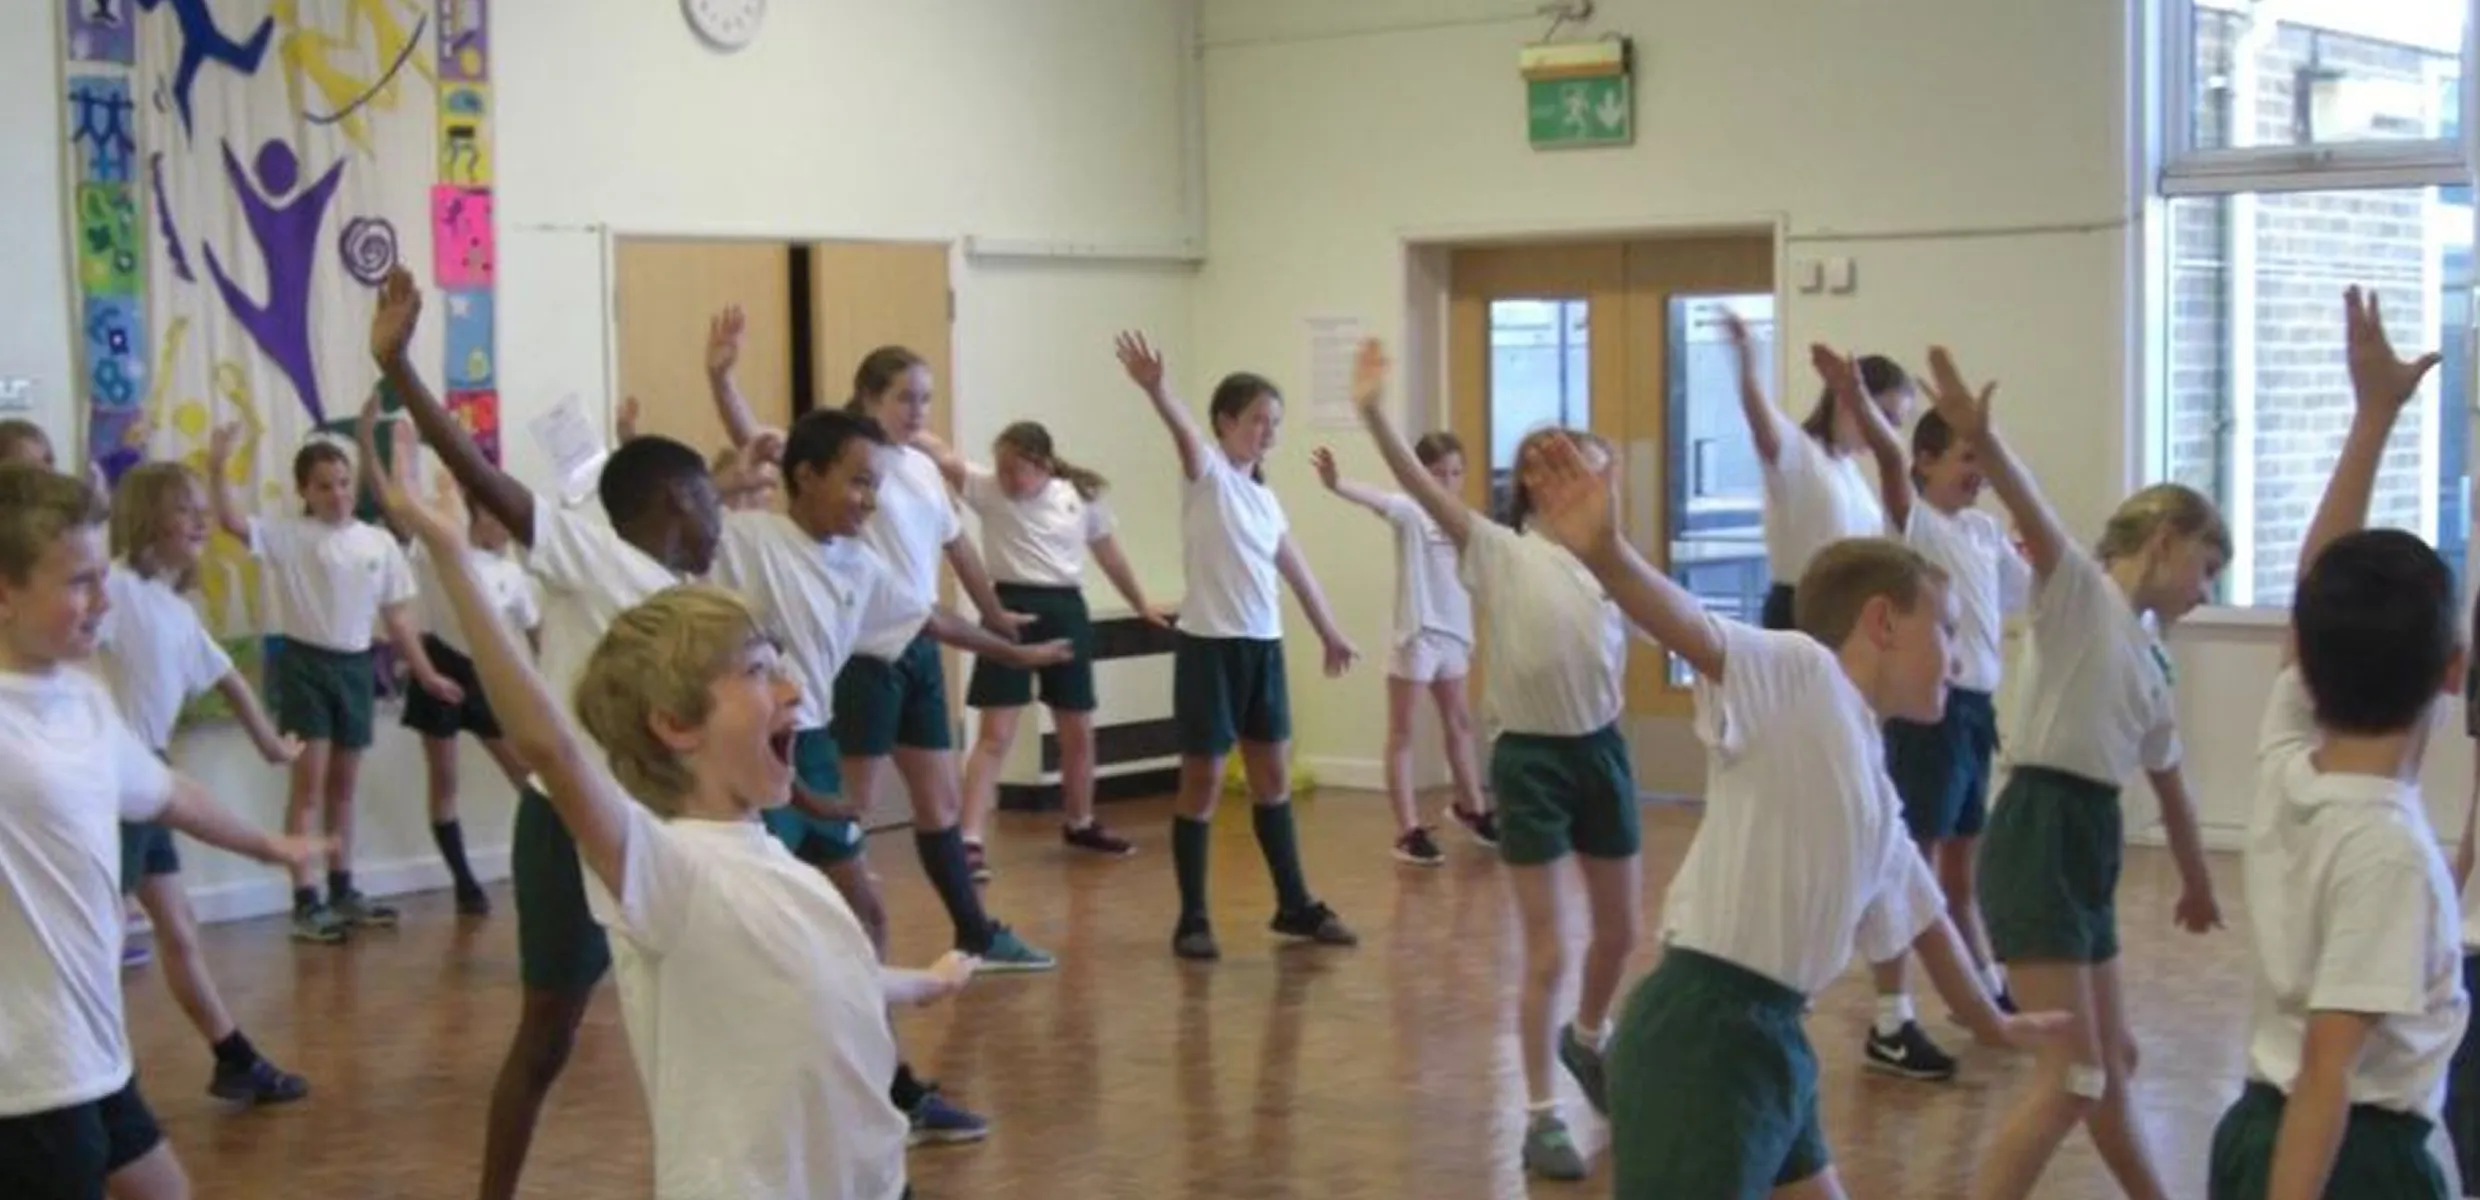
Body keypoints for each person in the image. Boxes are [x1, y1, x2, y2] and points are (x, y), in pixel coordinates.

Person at [373, 440, 975, 1200]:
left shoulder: (769, 859)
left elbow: (819, 979)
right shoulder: (669, 871)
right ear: (676, 727)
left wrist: (923, 983)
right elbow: (551, 747)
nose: (793, 692)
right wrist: (454, 555)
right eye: (759, 673)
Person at [1512, 430, 2058, 1198]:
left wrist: (1994, 1023)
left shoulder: (1876, 788)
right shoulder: (1803, 676)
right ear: (1882, 623)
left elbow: (1927, 921)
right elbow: (1694, 630)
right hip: (1703, 1038)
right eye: (1947, 630)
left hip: (1772, 1039)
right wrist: (1607, 554)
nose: (1960, 657)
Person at [363, 268, 715, 1200]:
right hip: (567, 829)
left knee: (695, 1023)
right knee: (548, 1035)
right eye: (711, 498)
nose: (723, 513)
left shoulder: (698, 600)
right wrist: (399, 369)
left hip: (663, 832)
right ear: (674, 503)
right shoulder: (581, 550)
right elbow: (481, 477)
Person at [711, 411, 1069, 1146]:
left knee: (864, 916)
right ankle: (781, 1104)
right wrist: (728, 466)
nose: (869, 499)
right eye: (858, 482)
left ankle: (892, 1091)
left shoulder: (857, 562)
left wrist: (1013, 652)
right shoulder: (748, 542)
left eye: (875, 484)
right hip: (753, 752)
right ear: (806, 477)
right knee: (768, 938)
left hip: (810, 747)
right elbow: (674, 530)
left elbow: (932, 617)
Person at [1931, 346, 2226, 1200]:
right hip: (2039, 833)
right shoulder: (2082, 598)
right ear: (2164, 541)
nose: (2207, 590)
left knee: (2112, 1059)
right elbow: (2040, 515)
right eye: (2206, 567)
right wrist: (1986, 437)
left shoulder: (2152, 658)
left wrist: (2200, 882)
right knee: (2074, 1077)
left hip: (2089, 841)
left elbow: (2169, 780)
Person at [2206, 287, 2465, 1200]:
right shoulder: (2385, 852)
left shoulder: (2289, 771)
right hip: (2346, 1159)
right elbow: (2329, 1069)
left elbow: (2313, 590)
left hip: (2256, 1132)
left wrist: (2373, 418)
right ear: (2452, 673)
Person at [0, 463, 321, 1200]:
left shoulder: (79, 702)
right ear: (5, 590)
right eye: (78, 581)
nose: (101, 599)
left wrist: (270, 846)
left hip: (94, 1059)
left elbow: (168, 792)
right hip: (30, 1083)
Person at [1351, 340, 1631, 1178]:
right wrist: (1371, 410)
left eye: (1602, 476)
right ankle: (1542, 1115)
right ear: (1540, 487)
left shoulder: (1608, 566)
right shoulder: (1496, 549)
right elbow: (1420, 486)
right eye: (1580, 474)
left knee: (1618, 934)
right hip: (1534, 761)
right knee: (1550, 948)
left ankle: (1588, 1038)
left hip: (1604, 751)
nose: (1596, 489)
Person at [706, 306, 1054, 971]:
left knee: (929, 808)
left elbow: (949, 565)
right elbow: (763, 451)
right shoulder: (799, 504)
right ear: (869, 399)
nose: (919, 408)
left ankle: (965, 934)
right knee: (834, 819)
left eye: (927, 397)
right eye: (905, 397)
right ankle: (814, 944)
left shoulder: (914, 476)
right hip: (854, 665)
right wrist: (723, 384)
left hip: (904, 641)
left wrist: (1002, 630)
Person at [1723, 312, 1956, 1080]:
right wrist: (1749, 360)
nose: (1892, 430)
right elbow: (1762, 429)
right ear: (1852, 403)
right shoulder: (1803, 457)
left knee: (1872, 819)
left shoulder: (1857, 479)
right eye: (1886, 415)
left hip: (1857, 644)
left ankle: (1891, 1013)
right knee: (1806, 819)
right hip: (1801, 631)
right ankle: (1778, 976)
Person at [1115, 330, 1359, 960]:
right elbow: (1184, 435)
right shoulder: (1208, 478)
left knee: (1272, 777)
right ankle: (1193, 918)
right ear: (1226, 423)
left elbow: (1295, 570)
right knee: (1201, 780)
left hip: (1262, 649)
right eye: (1257, 420)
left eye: (1274, 422)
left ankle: (1294, 905)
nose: (1268, 432)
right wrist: (1156, 388)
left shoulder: (1264, 499)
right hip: (1209, 649)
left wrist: (1329, 629)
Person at [93, 461, 310, 1105]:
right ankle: (98, 1079)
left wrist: (273, 747)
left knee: (180, 927)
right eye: (183, 508)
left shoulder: (173, 607)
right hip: (114, 781)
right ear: (144, 517)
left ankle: (233, 1058)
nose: (200, 519)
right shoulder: (115, 588)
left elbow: (229, 678)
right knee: (103, 935)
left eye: (200, 508)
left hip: (149, 777)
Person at [1823, 345, 2029, 1014]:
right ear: (1927, 464)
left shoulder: (1982, 532)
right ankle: (1893, 1012)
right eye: (1968, 460)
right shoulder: (1922, 527)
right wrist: (1854, 398)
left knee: (1960, 870)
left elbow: (2025, 593)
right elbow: (1887, 460)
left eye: (1984, 461)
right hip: (1929, 721)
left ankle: (1989, 988)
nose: (1980, 475)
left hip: (1973, 717)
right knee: (1908, 864)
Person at [203, 417, 461, 943]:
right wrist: (216, 464)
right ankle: (306, 899)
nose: (337, 494)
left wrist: (429, 674)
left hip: (354, 668)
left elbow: (397, 619)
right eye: (323, 485)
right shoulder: (288, 536)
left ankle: (344, 888)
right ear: (304, 491)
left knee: (344, 789)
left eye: (343, 483)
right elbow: (230, 520)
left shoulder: (377, 543)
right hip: (305, 668)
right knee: (309, 786)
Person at [913, 420, 1167, 872]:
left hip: (1065, 609)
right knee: (996, 733)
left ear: (1044, 465)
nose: (1010, 479)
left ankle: (1080, 820)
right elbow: (940, 452)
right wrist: (902, 426)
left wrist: (1141, 603)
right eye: (1003, 469)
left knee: (1076, 730)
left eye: (1019, 470)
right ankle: (969, 837)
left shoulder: (1079, 498)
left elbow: (1111, 557)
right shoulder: (985, 488)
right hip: (1008, 608)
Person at [1309, 429, 1496, 865]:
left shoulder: (1463, 520)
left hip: (1453, 634)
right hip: (1417, 635)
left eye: (1454, 473)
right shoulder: (1409, 511)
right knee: (1403, 731)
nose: (1446, 481)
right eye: (1436, 473)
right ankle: (1408, 830)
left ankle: (1472, 808)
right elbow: (1373, 498)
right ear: (1418, 474)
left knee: (1460, 722)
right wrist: (1336, 483)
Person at [386, 440, 540, 917]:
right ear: (475, 517)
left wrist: (545, 683)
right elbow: (400, 503)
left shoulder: (511, 572)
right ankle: (464, 881)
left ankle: (542, 863)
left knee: (528, 777)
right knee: (445, 778)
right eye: (494, 517)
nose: (504, 527)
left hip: (488, 676)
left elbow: (536, 631)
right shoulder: (442, 552)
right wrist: (400, 452)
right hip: (440, 663)